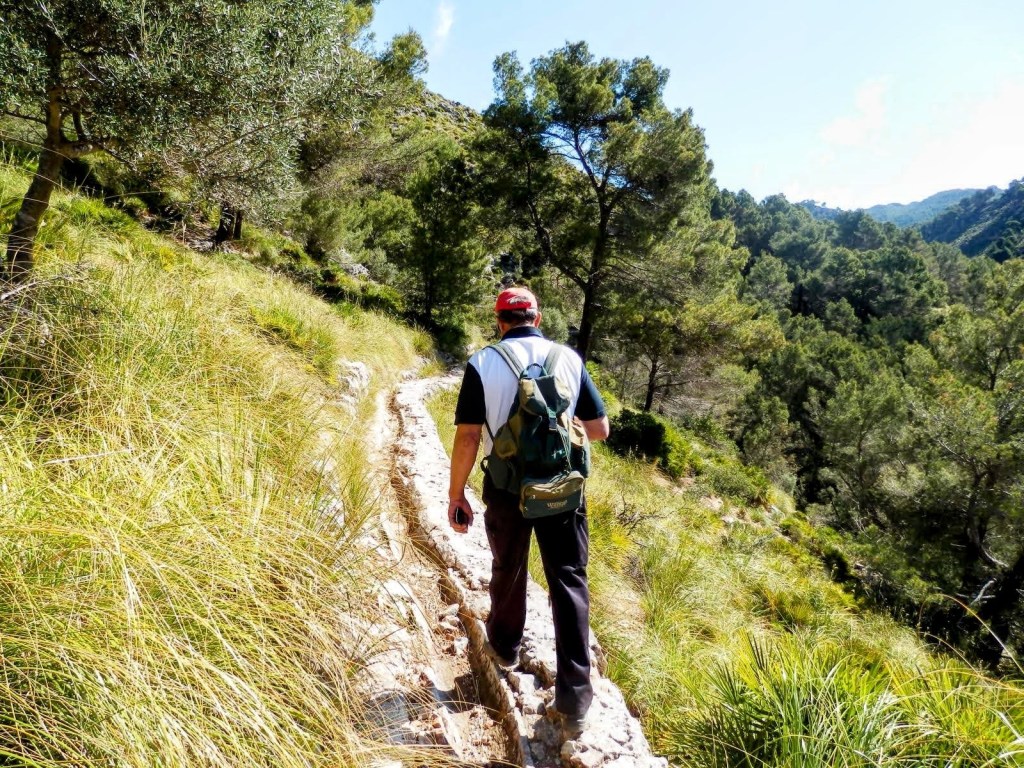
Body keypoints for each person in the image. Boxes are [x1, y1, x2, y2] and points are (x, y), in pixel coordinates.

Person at [447, 286, 610, 736]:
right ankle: (575, 697)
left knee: (508, 568)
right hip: (562, 490)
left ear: (499, 320)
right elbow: (600, 429)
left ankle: (504, 646)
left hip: (505, 490)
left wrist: (456, 495)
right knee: (569, 581)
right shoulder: (569, 360)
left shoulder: (483, 363)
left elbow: (467, 437)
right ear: (537, 318)